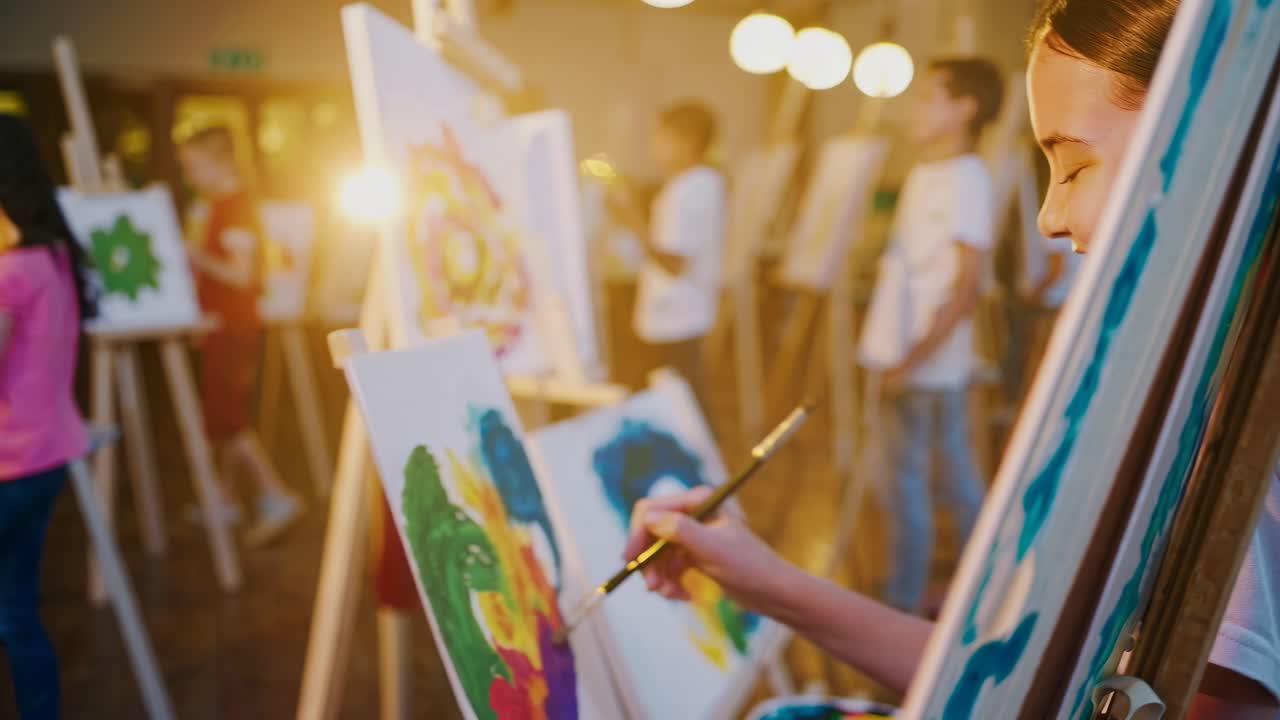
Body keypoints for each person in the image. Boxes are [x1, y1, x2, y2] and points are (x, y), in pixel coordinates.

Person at [624, 0, 1280, 715]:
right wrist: (768, 580)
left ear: (1203, 136)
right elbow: (1026, 687)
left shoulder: (1234, 432)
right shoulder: (1199, 392)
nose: (1048, 217)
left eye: (1072, 165)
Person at [862, 57, 1005, 613]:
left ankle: (915, 603)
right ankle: (953, 593)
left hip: (930, 364)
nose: (916, 109)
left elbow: (968, 287)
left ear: (964, 108)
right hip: (905, 356)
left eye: (929, 97)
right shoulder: (926, 174)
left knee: (919, 487)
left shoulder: (968, 178)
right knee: (925, 482)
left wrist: (910, 360)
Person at [0, 114, 98, 720]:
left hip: (9, 462)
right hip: (47, 458)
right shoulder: (55, 258)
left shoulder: (13, 271)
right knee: (17, 609)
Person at [179, 126, 303, 547]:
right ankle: (226, 497)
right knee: (221, 412)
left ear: (221, 162)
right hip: (221, 324)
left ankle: (275, 493)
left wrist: (196, 255)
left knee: (229, 419)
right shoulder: (220, 206)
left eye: (194, 166)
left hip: (232, 326)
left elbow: (242, 274)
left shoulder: (235, 207)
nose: (190, 176)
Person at [609, 101, 726, 417]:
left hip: (678, 318)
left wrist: (630, 219)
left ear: (684, 140)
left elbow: (673, 262)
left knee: (685, 412)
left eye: (660, 138)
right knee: (683, 408)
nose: (654, 147)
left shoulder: (691, 188)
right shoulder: (695, 185)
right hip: (676, 316)